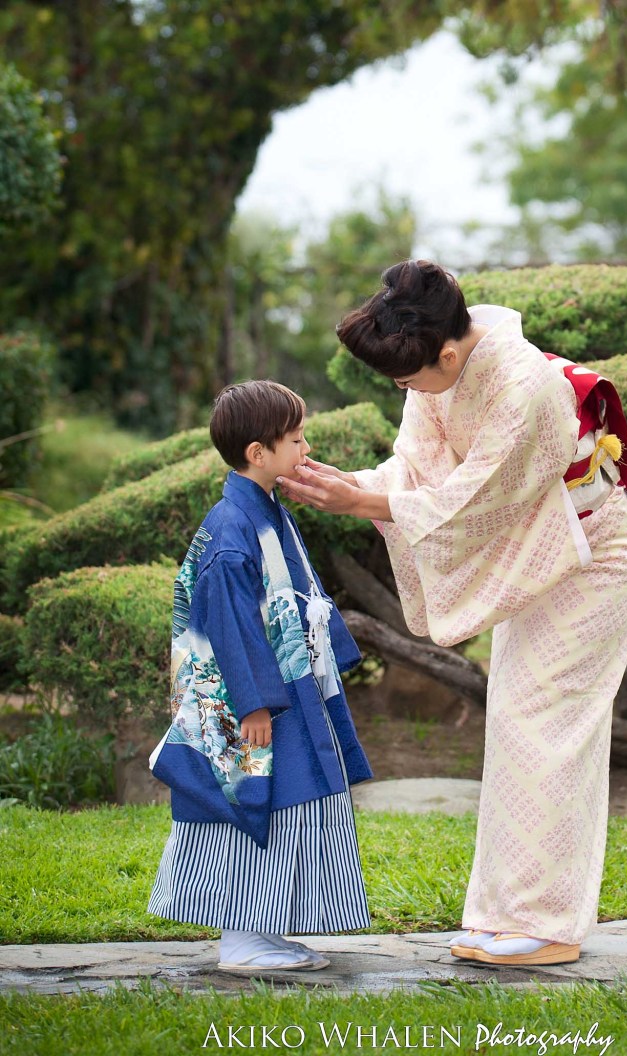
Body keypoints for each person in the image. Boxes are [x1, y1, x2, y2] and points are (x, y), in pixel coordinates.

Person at [276, 259, 627, 967]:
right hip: (544, 549)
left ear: (448, 350)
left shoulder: (525, 386)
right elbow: (417, 472)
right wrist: (353, 484)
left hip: (593, 551)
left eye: (410, 379)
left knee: (550, 724)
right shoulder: (440, 365)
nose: (406, 391)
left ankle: (547, 921)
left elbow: (481, 499)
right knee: (516, 723)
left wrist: (362, 503)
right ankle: (504, 913)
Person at [147, 380, 372, 973]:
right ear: (256, 453)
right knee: (255, 804)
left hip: (285, 689)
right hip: (257, 702)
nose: (305, 448)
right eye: (295, 439)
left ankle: (265, 930)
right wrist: (252, 705)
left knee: (288, 804)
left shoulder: (263, 513)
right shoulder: (231, 531)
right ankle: (242, 939)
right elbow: (230, 626)